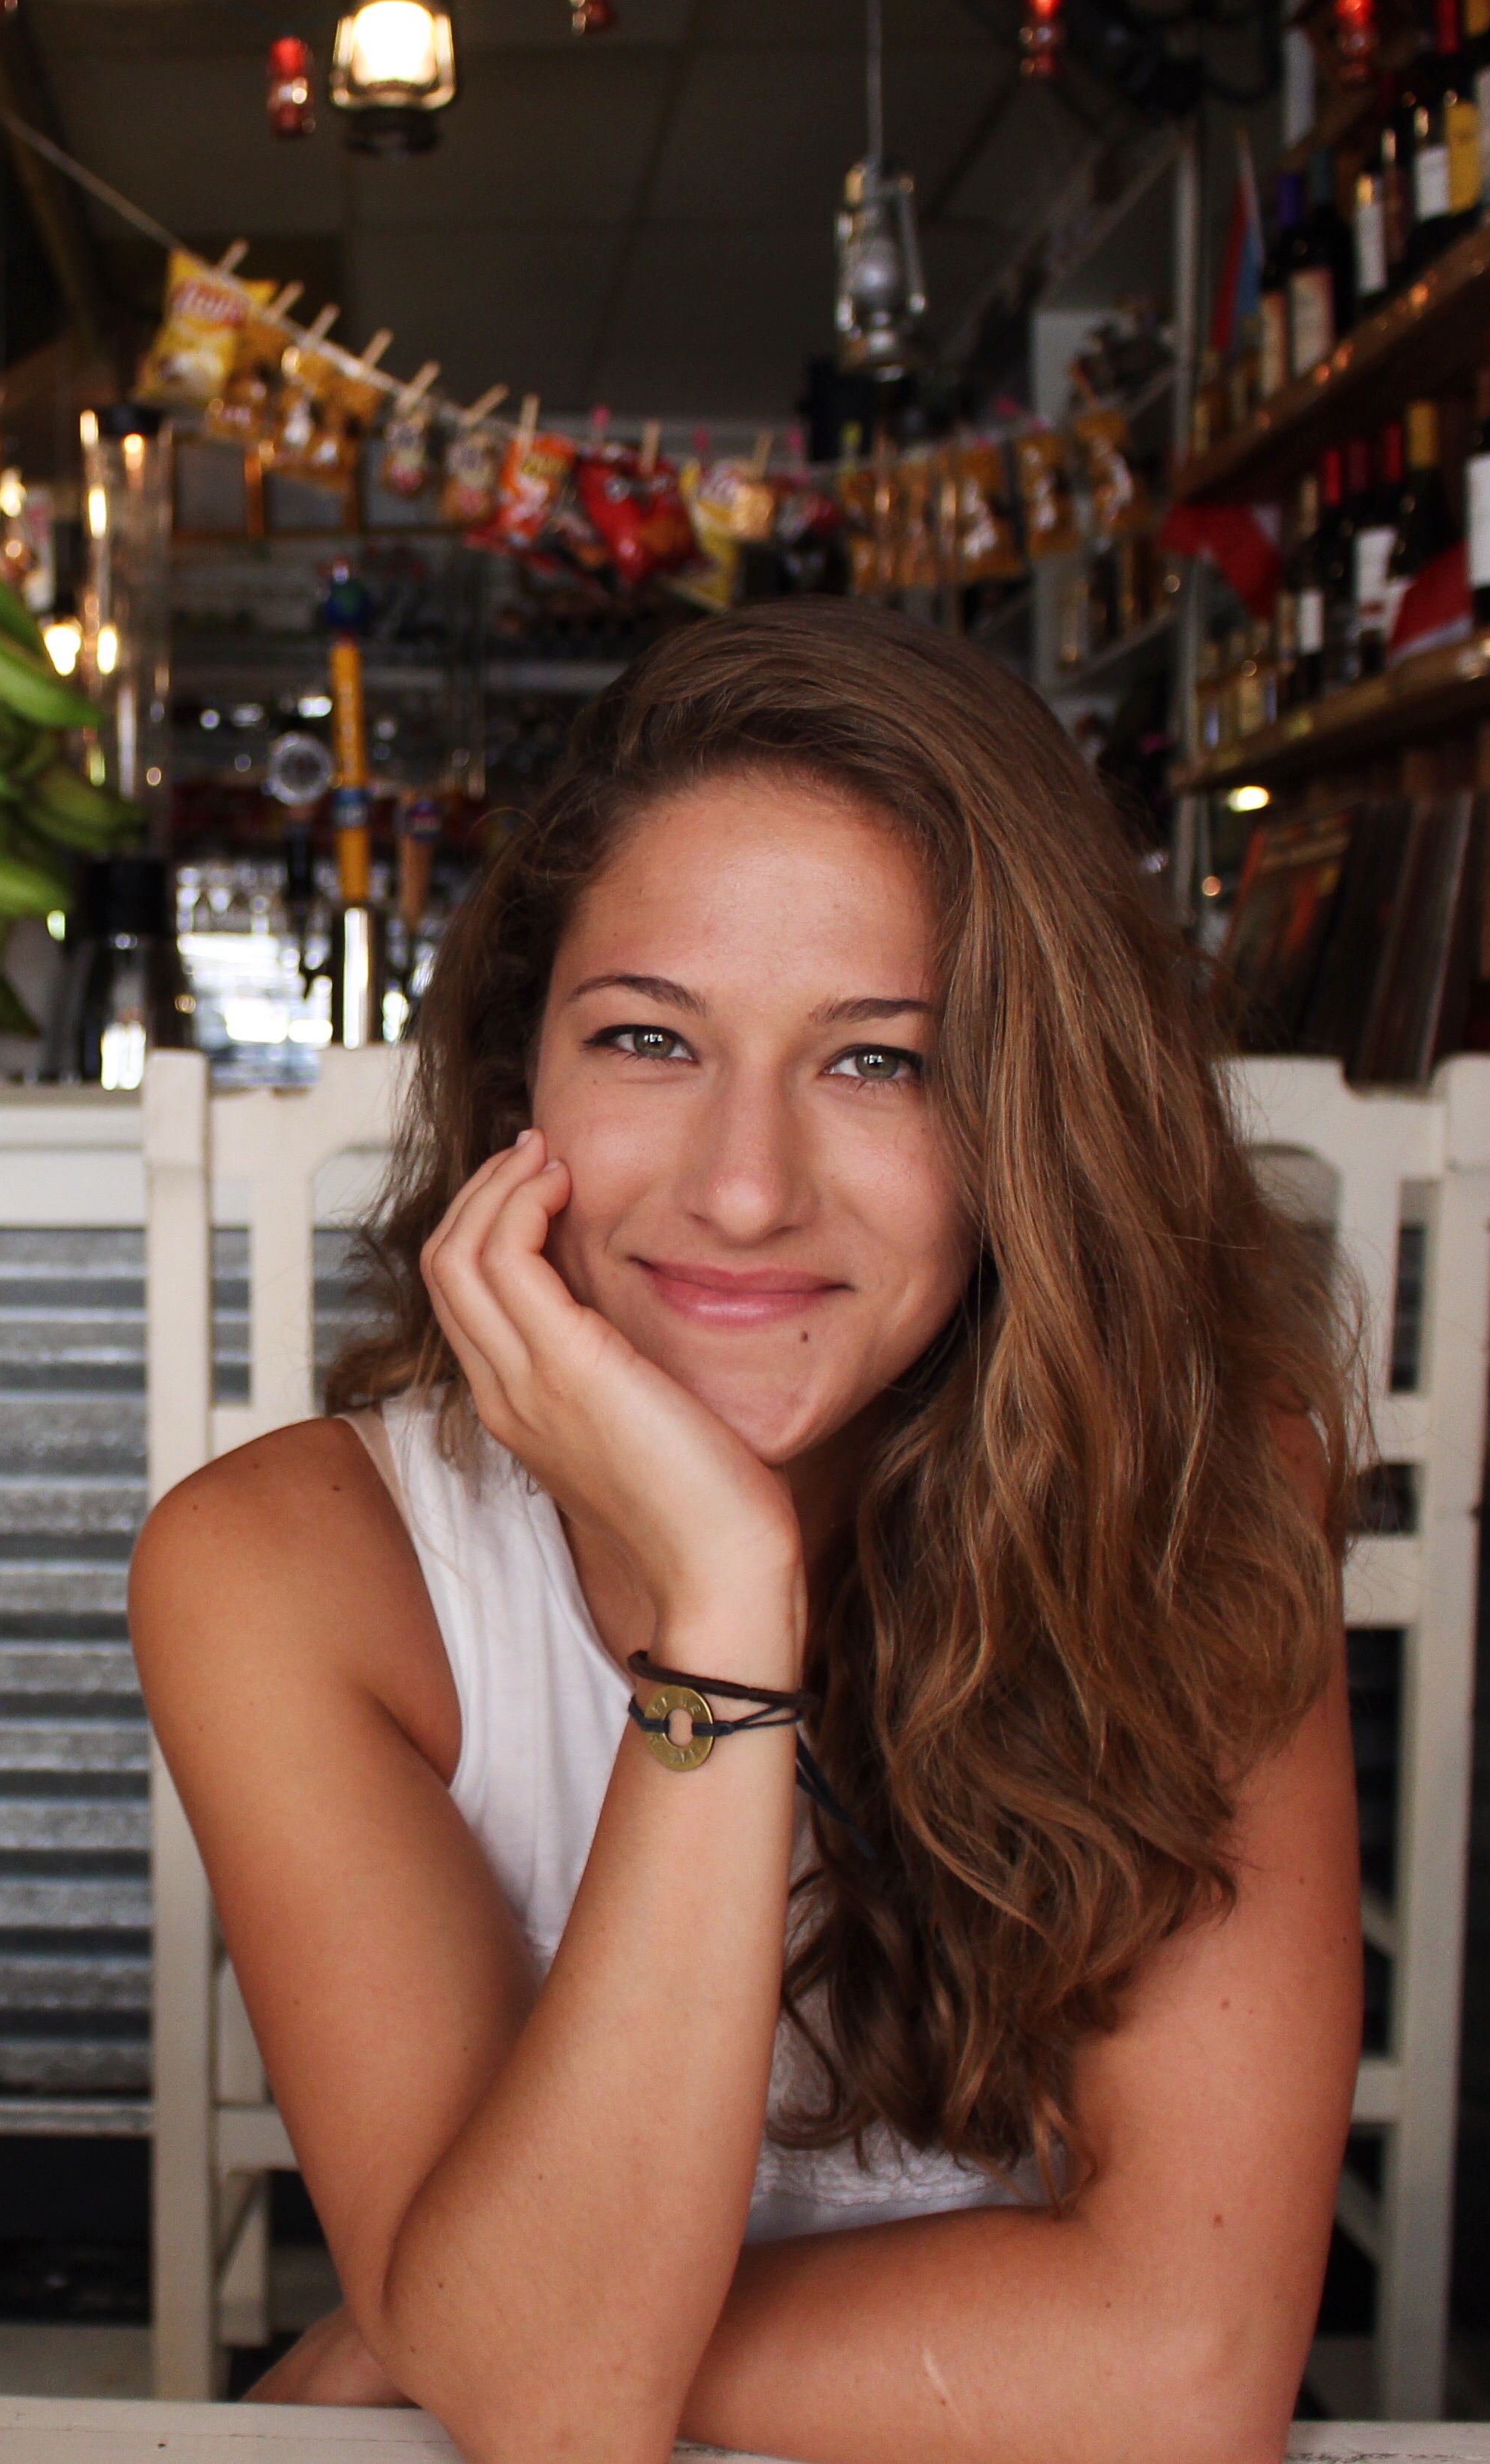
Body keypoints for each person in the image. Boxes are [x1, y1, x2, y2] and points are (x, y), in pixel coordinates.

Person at [129, 599, 1360, 2464]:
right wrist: (724, 1599)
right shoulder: (287, 1577)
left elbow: (1186, 2371)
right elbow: (551, 2408)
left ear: (1034, 1119)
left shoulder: (1200, 1494)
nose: (743, 1187)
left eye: (879, 1060)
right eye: (649, 1038)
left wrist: (476, 2329)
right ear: (516, 1091)